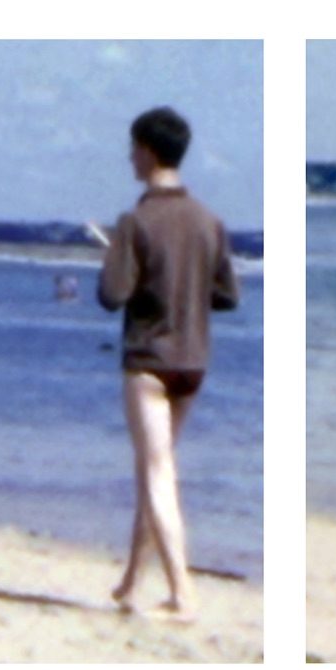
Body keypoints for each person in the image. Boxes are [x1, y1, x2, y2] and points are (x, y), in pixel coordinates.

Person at [98, 106, 242, 623]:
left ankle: (183, 594)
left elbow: (111, 295)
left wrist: (120, 258)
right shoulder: (209, 221)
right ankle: (133, 581)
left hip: (150, 360)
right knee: (153, 467)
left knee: (157, 472)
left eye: (133, 148)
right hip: (193, 359)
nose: (129, 157)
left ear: (148, 151)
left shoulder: (135, 221)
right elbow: (227, 295)